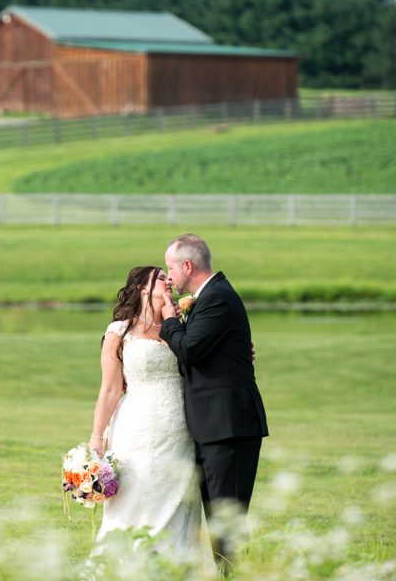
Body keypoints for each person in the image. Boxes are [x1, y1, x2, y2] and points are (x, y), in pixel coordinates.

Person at [88, 266, 214, 573]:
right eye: (161, 277)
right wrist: (96, 436)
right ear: (143, 288)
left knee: (177, 497)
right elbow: (109, 388)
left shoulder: (182, 326)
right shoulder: (121, 331)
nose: (169, 281)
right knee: (135, 493)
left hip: (180, 429)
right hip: (135, 426)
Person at [159, 233, 269, 574]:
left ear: (187, 265)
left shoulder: (217, 298)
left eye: (170, 268)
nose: (169, 276)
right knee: (218, 516)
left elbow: (190, 349)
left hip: (228, 426)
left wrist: (167, 316)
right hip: (215, 426)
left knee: (226, 518)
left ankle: (231, 574)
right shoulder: (209, 298)